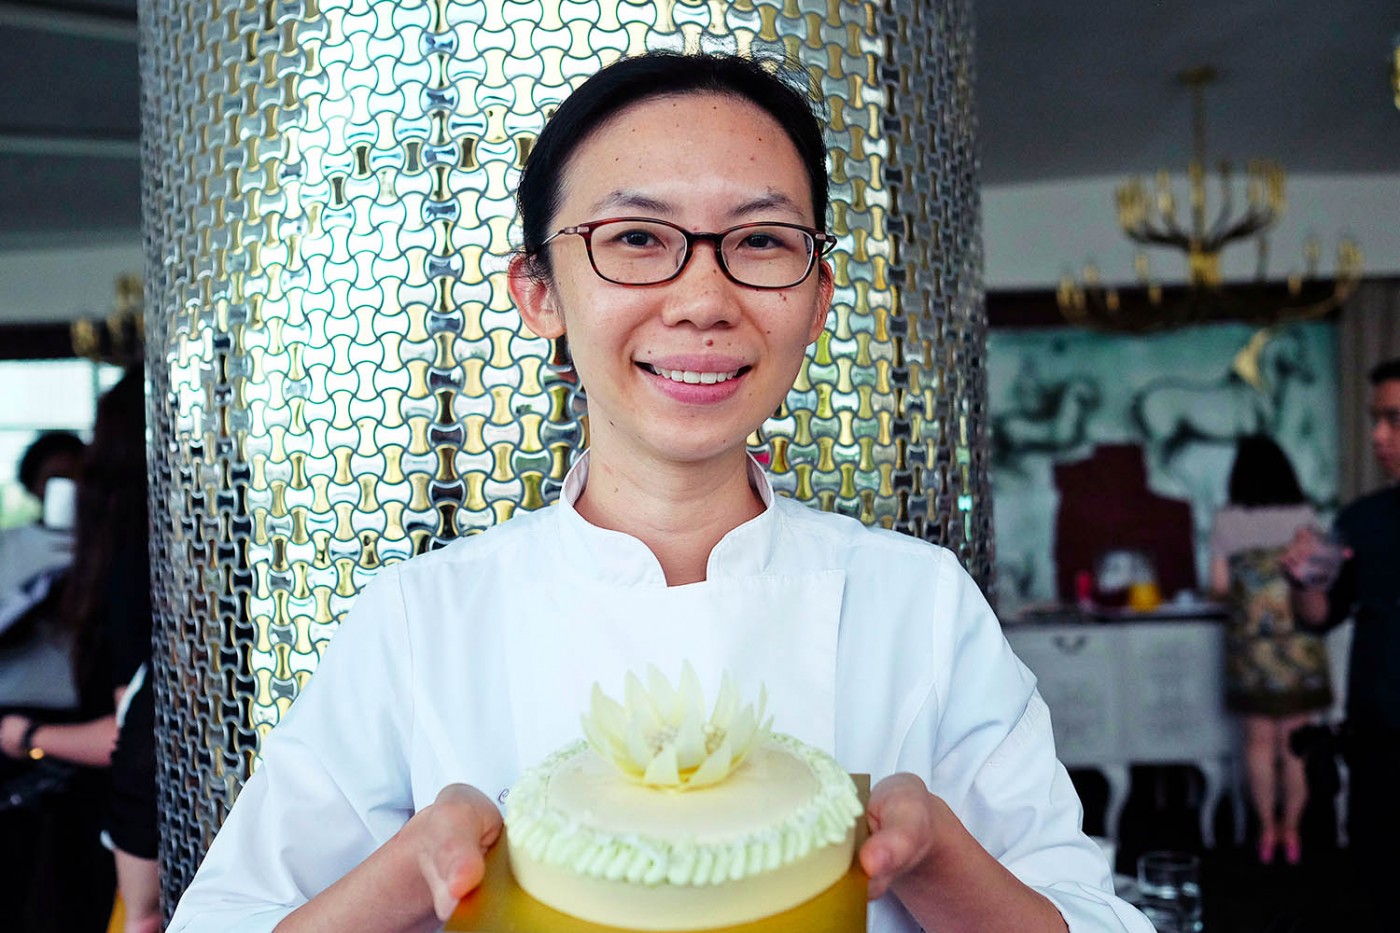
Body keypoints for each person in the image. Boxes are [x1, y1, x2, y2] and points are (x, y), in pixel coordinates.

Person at [168, 53, 1151, 932]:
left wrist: (933, 855)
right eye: (637, 237)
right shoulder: (419, 620)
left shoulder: (916, 603)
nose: (702, 300)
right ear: (539, 293)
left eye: (760, 240)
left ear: (817, 298)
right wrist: (408, 869)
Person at [0, 368, 160, 933]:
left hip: (119, 818)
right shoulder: (119, 558)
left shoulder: (133, 562)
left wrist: (27, 736)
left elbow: (133, 733)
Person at [1282, 357, 1400, 917]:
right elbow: (1318, 615)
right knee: (1378, 888)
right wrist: (1302, 579)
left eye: (1394, 420)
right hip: (1378, 744)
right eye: (1375, 419)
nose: (1377, 435)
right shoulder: (1363, 518)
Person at [1208, 434, 1331, 865]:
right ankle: (1293, 832)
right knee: (1295, 745)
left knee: (1258, 744)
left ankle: (1266, 831)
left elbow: (1219, 586)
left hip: (1251, 650)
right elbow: (1320, 580)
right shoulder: (1304, 517)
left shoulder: (1227, 520)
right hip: (1299, 646)